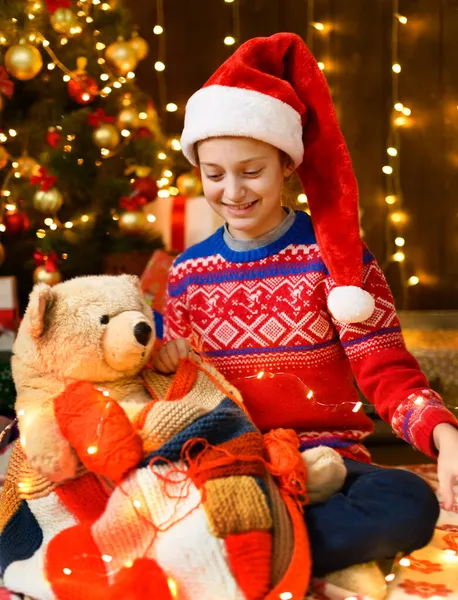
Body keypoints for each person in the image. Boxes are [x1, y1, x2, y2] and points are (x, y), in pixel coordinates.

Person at [155, 32, 458, 585]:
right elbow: (177, 396)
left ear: (287, 165)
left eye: (252, 171)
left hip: (329, 464)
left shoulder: (335, 260)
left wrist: (443, 434)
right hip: (235, 466)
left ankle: (248, 556)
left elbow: (385, 368)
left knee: (410, 500)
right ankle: (277, 549)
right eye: (214, 174)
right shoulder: (187, 275)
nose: (232, 191)